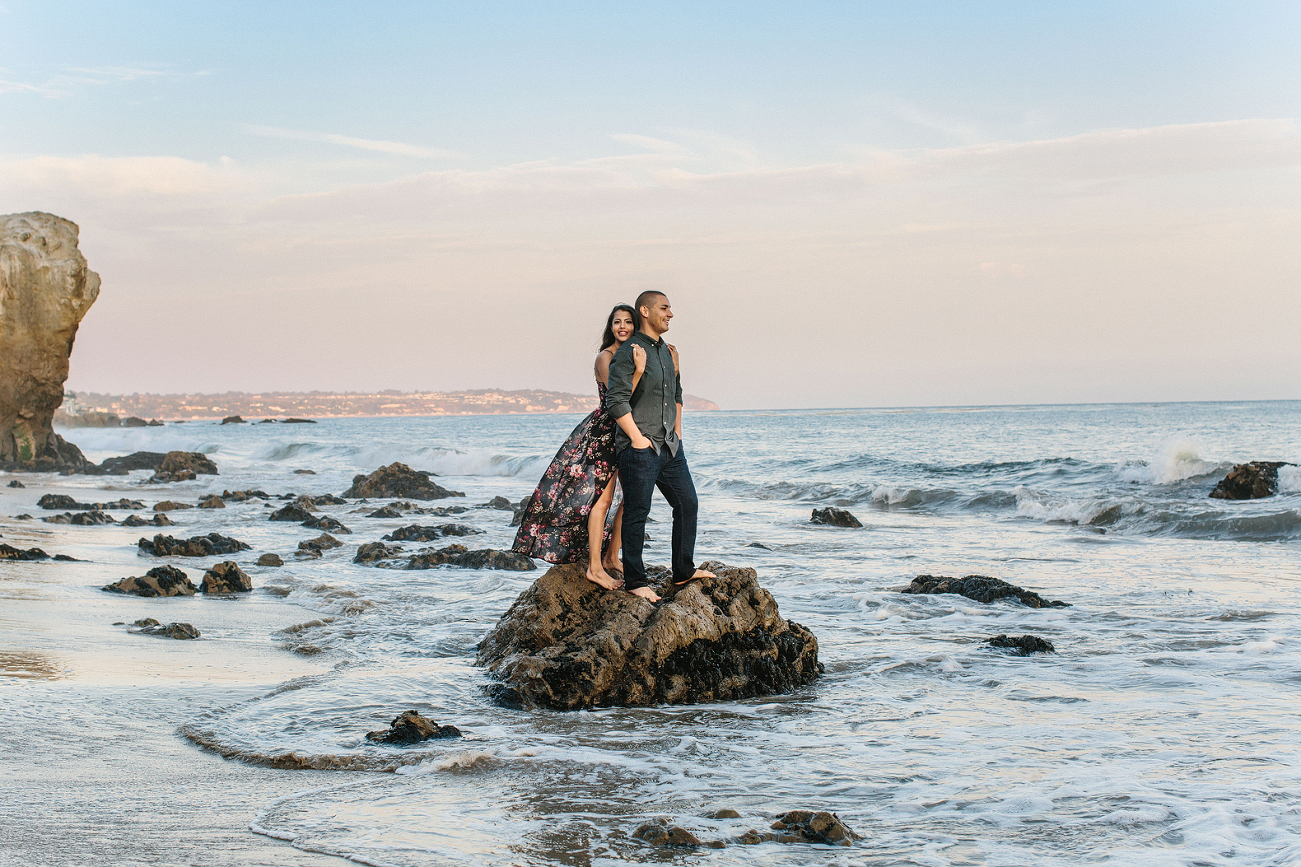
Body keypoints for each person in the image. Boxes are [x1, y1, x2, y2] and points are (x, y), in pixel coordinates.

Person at [512, 304, 648, 589]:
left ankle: (611, 557)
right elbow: (616, 399)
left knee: (633, 497)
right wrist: (638, 373)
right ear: (610, 328)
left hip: (627, 431)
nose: (622, 327)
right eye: (616, 322)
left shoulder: (634, 354)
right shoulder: (605, 357)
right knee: (603, 500)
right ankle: (595, 567)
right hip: (606, 431)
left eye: (628, 322)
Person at [605, 291, 714, 602]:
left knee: (687, 503)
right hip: (640, 448)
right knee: (638, 512)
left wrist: (677, 435)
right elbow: (615, 400)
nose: (670, 314)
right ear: (646, 311)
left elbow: (677, 394)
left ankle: (683, 571)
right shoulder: (629, 352)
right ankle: (636, 582)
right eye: (665, 308)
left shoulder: (666, 351)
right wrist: (637, 439)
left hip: (669, 447)